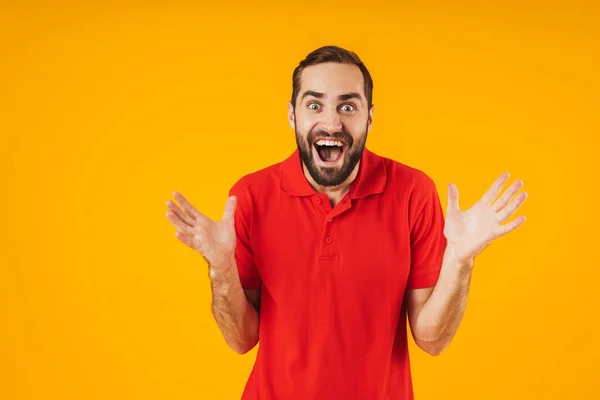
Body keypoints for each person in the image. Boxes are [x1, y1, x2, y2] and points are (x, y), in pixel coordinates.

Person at [165, 45, 528, 399]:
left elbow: (432, 340)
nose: (331, 121)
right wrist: (220, 268)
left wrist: (460, 262)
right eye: (314, 104)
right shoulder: (249, 196)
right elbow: (240, 340)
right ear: (293, 115)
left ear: (369, 116)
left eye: (348, 106)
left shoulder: (413, 192)